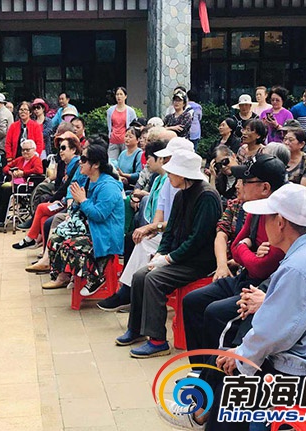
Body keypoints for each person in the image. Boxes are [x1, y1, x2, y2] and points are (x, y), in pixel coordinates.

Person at [161, 185, 306, 431]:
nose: (263, 224)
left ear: (280, 222)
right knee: (228, 360)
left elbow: (274, 332)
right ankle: (199, 414)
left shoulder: (300, 266)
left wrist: (243, 357)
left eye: (267, 217)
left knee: (235, 382)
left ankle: (200, 416)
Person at [115, 150, 222, 358]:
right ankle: (136, 329)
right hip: (180, 256)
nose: (169, 175)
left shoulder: (207, 196)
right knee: (140, 275)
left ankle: (158, 340)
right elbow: (171, 230)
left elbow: (197, 240)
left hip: (198, 261)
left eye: (172, 172)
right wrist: (161, 253)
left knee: (154, 279)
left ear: (183, 174)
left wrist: (169, 259)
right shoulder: (181, 194)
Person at [182, 154, 287, 365]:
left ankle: (215, 372)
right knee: (192, 301)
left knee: (215, 312)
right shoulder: (253, 208)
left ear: (265, 188)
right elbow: (235, 247)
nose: (239, 185)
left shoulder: (280, 217)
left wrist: (244, 248)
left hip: (260, 287)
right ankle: (199, 367)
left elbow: (261, 267)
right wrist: (247, 249)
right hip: (243, 277)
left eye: (246, 181)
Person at [97, 138, 189, 312]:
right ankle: (129, 292)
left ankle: (129, 294)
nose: (166, 163)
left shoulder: (193, 188)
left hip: (181, 242)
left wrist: (154, 229)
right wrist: (153, 229)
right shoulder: (166, 181)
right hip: (168, 234)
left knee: (142, 243)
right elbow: (160, 210)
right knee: (140, 239)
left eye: (168, 158)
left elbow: (182, 223)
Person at [42, 143, 124, 294]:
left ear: (96, 164)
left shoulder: (109, 186)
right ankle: (65, 276)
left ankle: (96, 275)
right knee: (55, 238)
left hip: (104, 235)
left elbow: (99, 215)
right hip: (90, 229)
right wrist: (76, 204)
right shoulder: (89, 181)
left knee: (69, 246)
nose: (80, 162)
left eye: (84, 159)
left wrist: (83, 201)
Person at [13, 134, 84, 251]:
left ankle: (31, 238)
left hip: (71, 203)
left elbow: (68, 187)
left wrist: (55, 200)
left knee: (42, 206)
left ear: (73, 150)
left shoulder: (77, 165)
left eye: (63, 148)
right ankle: (45, 252)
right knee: (44, 217)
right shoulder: (66, 164)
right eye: (59, 148)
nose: (60, 151)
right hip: (64, 199)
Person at [0, 139, 44, 227]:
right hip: (14, 182)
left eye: (27, 150)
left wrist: (23, 173)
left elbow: (39, 170)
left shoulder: (36, 160)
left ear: (34, 150)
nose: (25, 152)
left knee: (6, 190)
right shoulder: (20, 159)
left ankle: (1, 218)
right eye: (23, 150)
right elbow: (6, 168)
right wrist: (10, 172)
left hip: (26, 185)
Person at [106, 87, 138, 161]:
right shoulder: (110, 110)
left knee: (125, 161)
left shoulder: (130, 111)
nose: (119, 96)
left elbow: (134, 125)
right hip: (113, 140)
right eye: (117, 94)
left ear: (125, 96)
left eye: (121, 94)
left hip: (126, 141)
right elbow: (109, 125)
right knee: (111, 161)